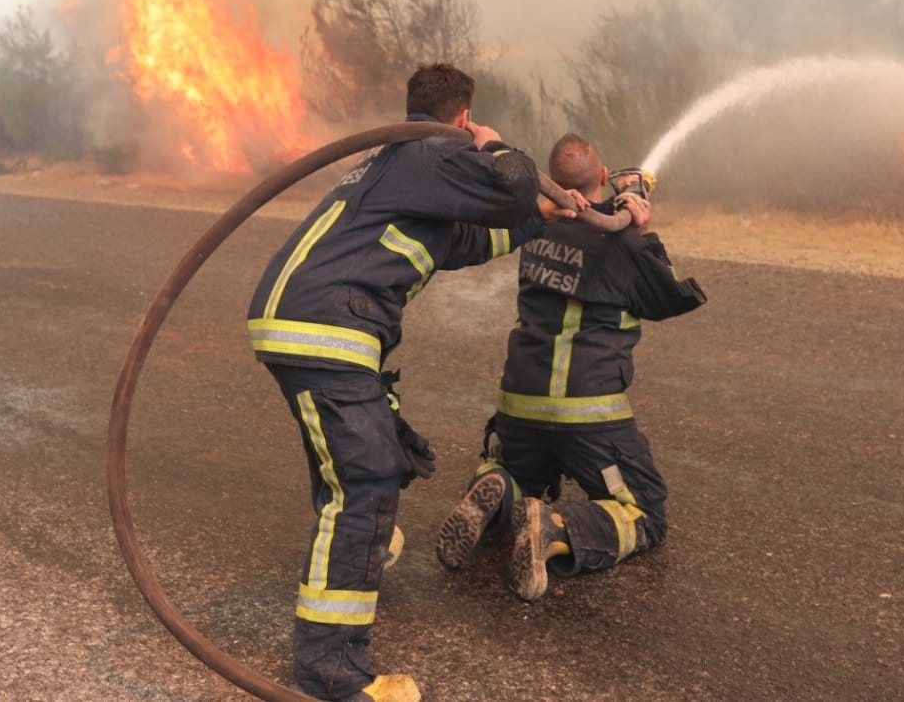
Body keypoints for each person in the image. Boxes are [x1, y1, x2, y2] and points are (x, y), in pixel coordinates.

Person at [249, 63, 552, 702]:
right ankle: (332, 669)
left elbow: (465, 238)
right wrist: (495, 147)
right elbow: (512, 186)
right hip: (324, 328)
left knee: (360, 461)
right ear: (463, 116)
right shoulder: (431, 152)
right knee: (363, 480)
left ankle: (367, 546)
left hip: (312, 323)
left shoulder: (403, 162)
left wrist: (541, 219)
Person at [434, 132, 706, 603]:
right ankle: (554, 528)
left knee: (525, 473)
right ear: (603, 178)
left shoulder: (536, 229)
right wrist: (643, 233)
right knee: (646, 511)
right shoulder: (622, 242)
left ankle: (500, 488)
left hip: (518, 407)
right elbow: (668, 299)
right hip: (588, 416)